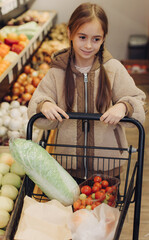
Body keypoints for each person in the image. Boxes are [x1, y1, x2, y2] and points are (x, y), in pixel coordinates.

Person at [27, 3, 146, 178]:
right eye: (82, 37)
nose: (89, 45)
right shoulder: (57, 71)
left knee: (105, 206)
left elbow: (139, 103)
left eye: (96, 39)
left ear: (104, 38)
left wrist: (123, 106)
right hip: (66, 166)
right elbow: (37, 107)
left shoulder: (113, 68)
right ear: (70, 33)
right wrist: (44, 105)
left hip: (107, 165)